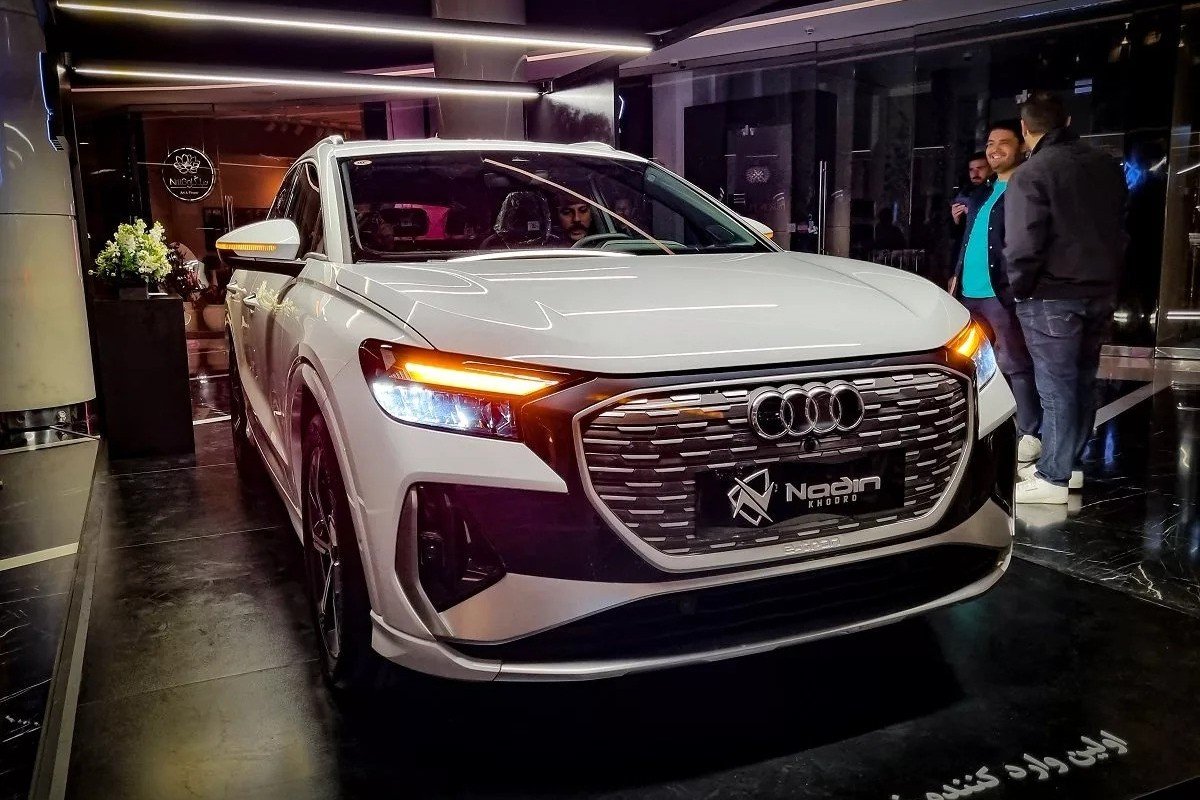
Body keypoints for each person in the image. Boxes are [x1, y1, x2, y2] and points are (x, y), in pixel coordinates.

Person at [1004, 92, 1129, 504]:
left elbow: (1023, 244)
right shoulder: (1106, 165)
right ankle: (1069, 466)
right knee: (1083, 382)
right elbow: (1121, 230)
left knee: (1056, 387)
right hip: (1099, 289)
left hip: (1051, 294)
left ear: (1025, 129)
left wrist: (1020, 287)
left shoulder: (1032, 172)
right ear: (1068, 121)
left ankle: (1052, 477)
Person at [950, 121, 1041, 463]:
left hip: (1000, 291)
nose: (995, 149)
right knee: (971, 364)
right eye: (990, 143)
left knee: (1014, 362)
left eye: (1004, 142)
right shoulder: (981, 193)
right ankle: (981, 426)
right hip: (968, 290)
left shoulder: (1025, 188)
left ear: (1022, 147)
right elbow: (969, 239)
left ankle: (1029, 432)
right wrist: (956, 274)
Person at [951, 152, 993, 225]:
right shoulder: (963, 194)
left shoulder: (996, 191)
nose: (974, 174)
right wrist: (956, 220)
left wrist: (973, 214)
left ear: (991, 169)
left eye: (980, 168)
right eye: (971, 170)